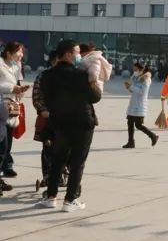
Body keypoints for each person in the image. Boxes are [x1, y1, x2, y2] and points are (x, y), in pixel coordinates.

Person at [37, 40, 102, 212]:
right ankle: (70, 200)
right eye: (77, 52)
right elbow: (95, 97)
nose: (79, 55)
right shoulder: (81, 74)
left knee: (58, 159)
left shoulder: (47, 76)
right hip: (83, 122)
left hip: (60, 122)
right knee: (78, 161)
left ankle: (51, 197)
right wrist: (94, 82)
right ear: (67, 54)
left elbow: (47, 99)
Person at [32, 51, 65, 189]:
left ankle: (63, 174)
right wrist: (43, 110)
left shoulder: (69, 75)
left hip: (65, 119)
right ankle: (48, 175)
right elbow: (36, 95)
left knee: (65, 148)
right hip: (48, 118)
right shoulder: (43, 76)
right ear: (52, 61)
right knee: (48, 147)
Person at [0, 41, 28, 181]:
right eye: (18, 52)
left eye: (22, 52)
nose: (21, 55)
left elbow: (17, 83)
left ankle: (7, 165)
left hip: (11, 105)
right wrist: (11, 89)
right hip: (1, 104)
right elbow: (8, 86)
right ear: (8, 53)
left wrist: (20, 91)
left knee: (8, 137)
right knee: (2, 138)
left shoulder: (17, 65)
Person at [123, 63, 159, 149]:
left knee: (139, 125)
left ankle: (153, 136)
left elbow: (142, 92)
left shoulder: (146, 79)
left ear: (141, 70)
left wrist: (131, 87)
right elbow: (134, 91)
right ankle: (130, 142)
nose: (134, 71)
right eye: (133, 70)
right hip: (133, 103)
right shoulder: (135, 78)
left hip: (140, 105)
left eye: (136, 70)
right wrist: (128, 87)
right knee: (130, 123)